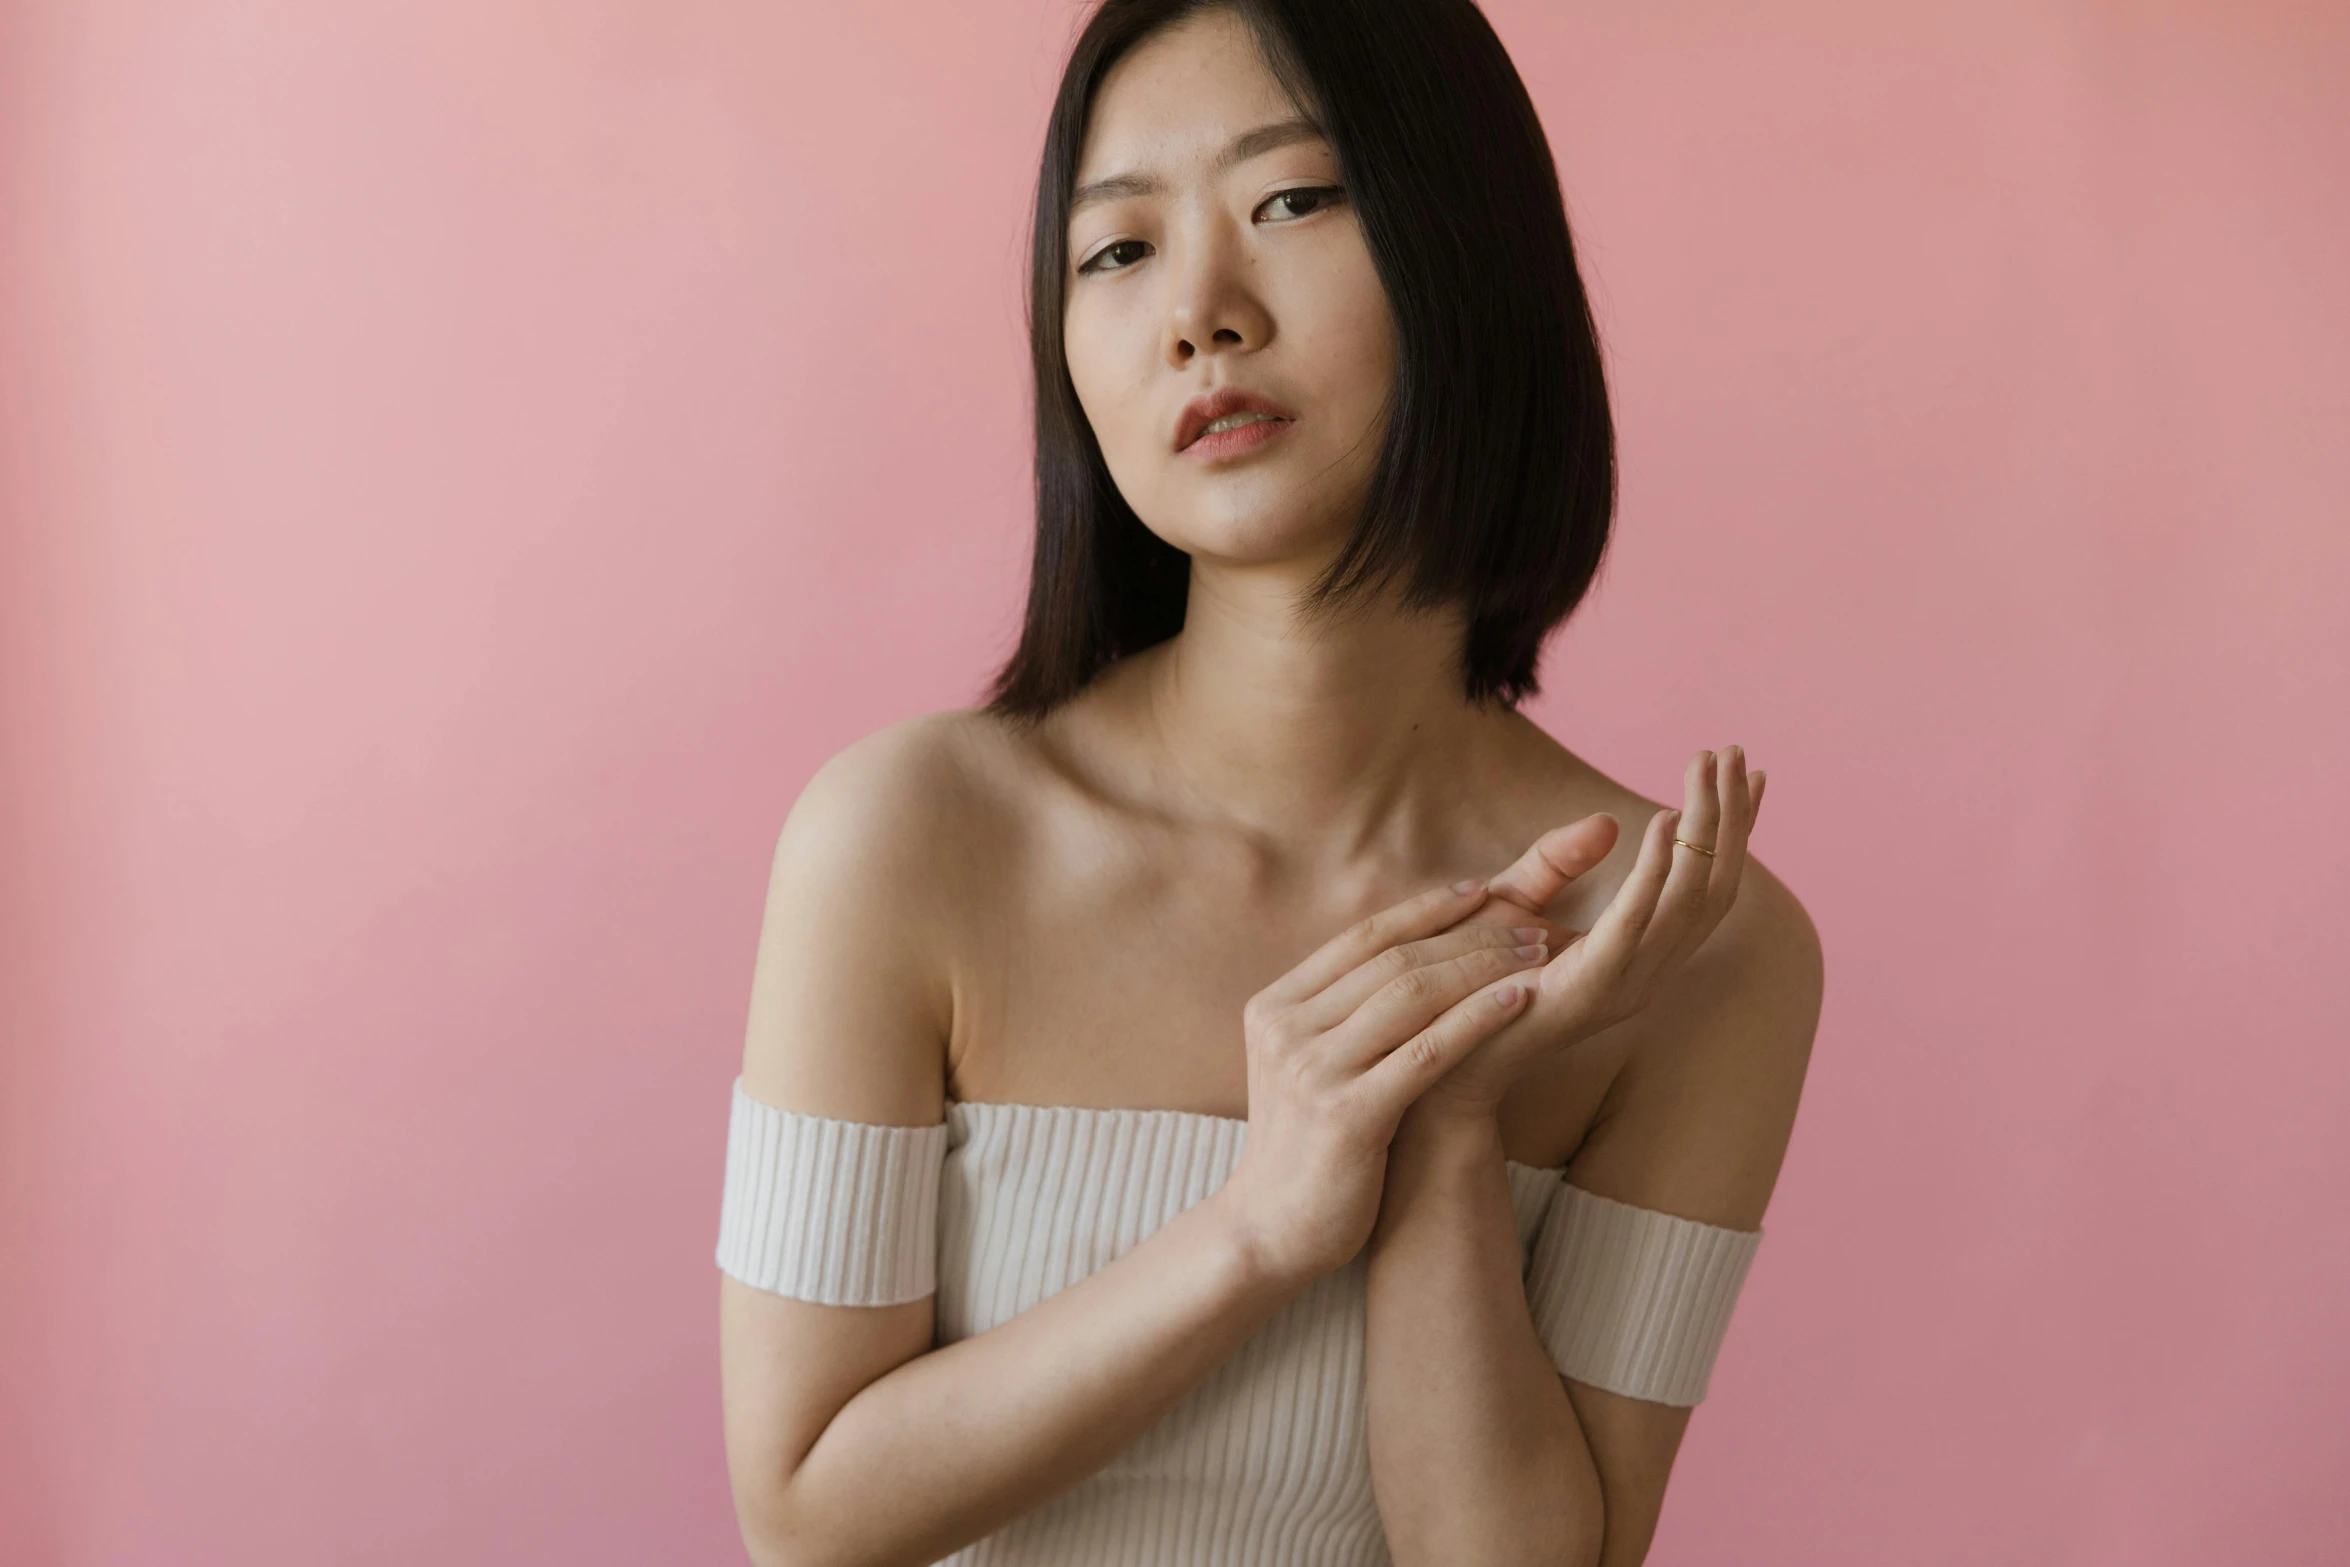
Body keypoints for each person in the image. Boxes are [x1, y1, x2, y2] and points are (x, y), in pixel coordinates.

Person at [715, 0, 1823, 1562]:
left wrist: (1446, 1125)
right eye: (1115, 253)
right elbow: (805, 1510)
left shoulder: (1690, 944)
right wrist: (1259, 1222)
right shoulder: (903, 840)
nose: (1198, 313)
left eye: (1291, 200)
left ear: (1464, 244)